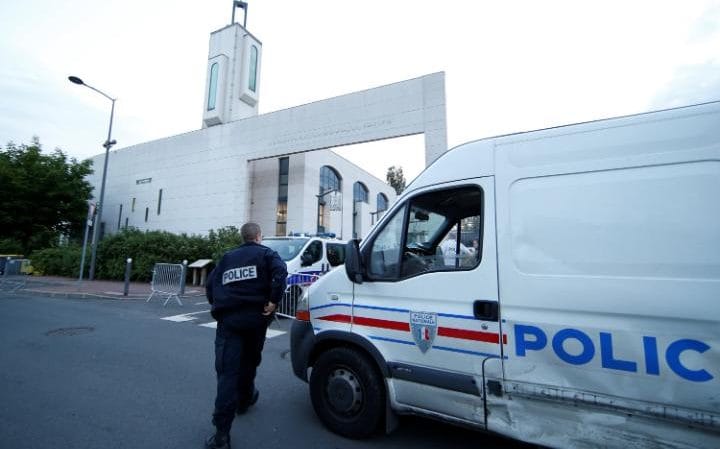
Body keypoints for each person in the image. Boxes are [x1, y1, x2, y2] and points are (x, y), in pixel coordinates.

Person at [205, 222, 288, 449]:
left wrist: (219, 305)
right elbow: (281, 272)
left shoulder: (227, 258)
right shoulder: (267, 254)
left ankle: (222, 434)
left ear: (243, 238)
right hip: (256, 321)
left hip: (229, 322)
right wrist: (273, 300)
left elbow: (210, 285)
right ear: (259, 236)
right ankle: (244, 399)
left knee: (227, 373)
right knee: (249, 362)